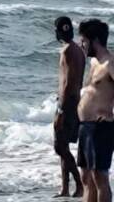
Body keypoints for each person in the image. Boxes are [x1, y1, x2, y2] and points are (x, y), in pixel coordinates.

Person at [77, 19, 114, 202]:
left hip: (101, 128)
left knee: (100, 177)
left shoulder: (110, 63)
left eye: (84, 40)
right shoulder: (93, 63)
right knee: (86, 177)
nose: (81, 44)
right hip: (86, 126)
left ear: (95, 40)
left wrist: (110, 115)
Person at [55, 16, 86, 197]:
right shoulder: (79, 50)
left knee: (60, 147)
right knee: (64, 146)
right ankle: (65, 188)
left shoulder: (66, 51)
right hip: (75, 101)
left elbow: (67, 83)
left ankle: (79, 185)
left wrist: (60, 110)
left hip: (66, 103)